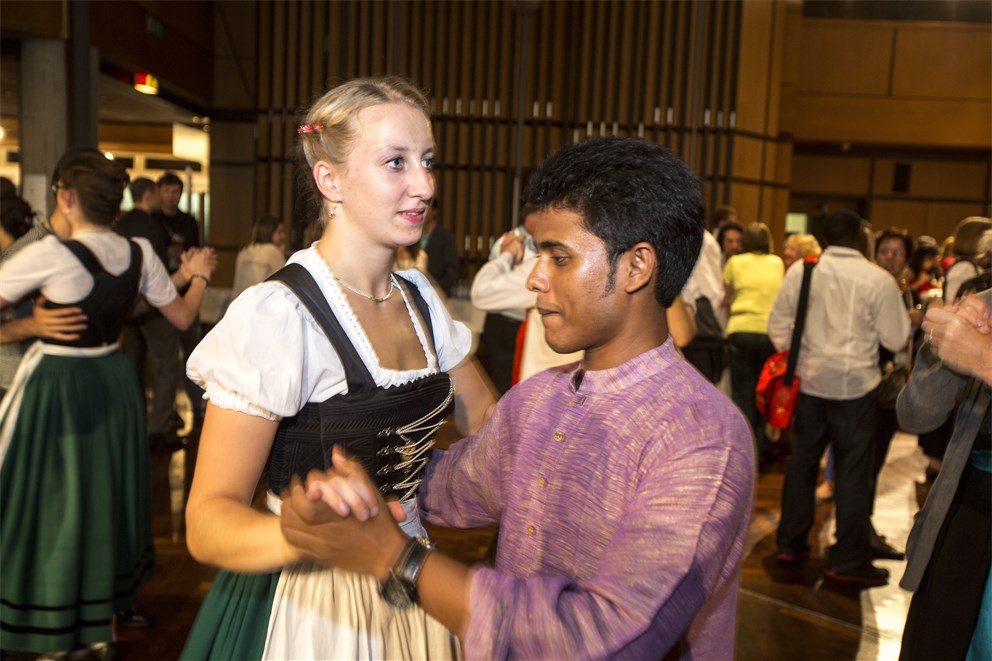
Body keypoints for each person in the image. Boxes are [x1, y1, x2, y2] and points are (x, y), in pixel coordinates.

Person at [281, 136, 756, 659]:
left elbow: (610, 636)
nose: (534, 277)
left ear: (636, 267)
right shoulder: (537, 403)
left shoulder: (702, 436)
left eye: (559, 257)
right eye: (538, 255)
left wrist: (400, 561)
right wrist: (334, 456)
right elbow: (452, 485)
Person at [180, 76, 495, 660]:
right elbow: (206, 521)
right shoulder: (279, 315)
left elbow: (492, 425)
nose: (424, 184)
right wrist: (305, 536)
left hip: (413, 580)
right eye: (395, 163)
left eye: (427, 161)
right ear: (330, 180)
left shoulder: (422, 297)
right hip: (309, 608)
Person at [0, 148, 214, 659]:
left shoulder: (50, 253)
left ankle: (49, 620)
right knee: (102, 498)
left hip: (59, 381)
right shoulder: (139, 250)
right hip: (114, 380)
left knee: (49, 500)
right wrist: (198, 273)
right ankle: (99, 625)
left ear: (67, 198)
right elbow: (183, 318)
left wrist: (26, 325)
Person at [769, 210, 910, 586]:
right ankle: (846, 560)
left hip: (811, 384)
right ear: (861, 238)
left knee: (802, 466)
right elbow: (896, 340)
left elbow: (778, 325)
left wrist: (799, 360)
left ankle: (791, 543)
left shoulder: (803, 271)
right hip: (856, 388)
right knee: (852, 474)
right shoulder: (877, 279)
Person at [899, 290, 991, 661]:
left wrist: (984, 360)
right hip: (968, 509)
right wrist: (946, 350)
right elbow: (915, 415)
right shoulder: (983, 303)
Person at [153, 171, 209, 438]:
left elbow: (198, 250)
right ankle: (165, 414)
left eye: (176, 191)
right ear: (158, 191)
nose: (172, 196)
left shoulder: (188, 221)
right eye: (167, 190)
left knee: (192, 349)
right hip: (161, 295)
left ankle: (196, 406)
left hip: (187, 291)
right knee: (165, 359)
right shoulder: (152, 221)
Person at [723, 221, 783, 465]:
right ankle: (762, 447)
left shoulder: (735, 262)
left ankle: (745, 451)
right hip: (769, 333)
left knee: (742, 394)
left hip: (741, 330)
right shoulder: (777, 263)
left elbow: (726, 299)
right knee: (764, 394)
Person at [231, 215, 287, 299]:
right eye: (279, 232)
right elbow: (286, 281)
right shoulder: (271, 250)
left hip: (239, 302)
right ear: (268, 232)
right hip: (260, 304)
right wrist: (281, 253)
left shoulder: (245, 250)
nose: (283, 236)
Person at [420, 199, 459, 296]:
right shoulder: (411, 236)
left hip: (436, 293)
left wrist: (433, 291)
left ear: (434, 212)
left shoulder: (445, 237)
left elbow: (451, 272)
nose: (422, 213)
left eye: (425, 209)